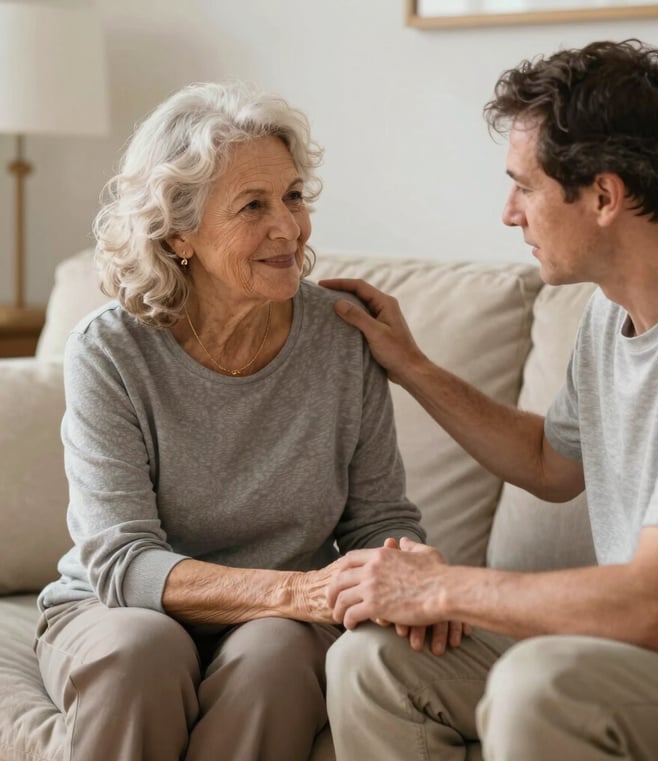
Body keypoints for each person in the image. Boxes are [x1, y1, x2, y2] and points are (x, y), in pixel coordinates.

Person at [322, 39, 658, 761]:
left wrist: (442, 588)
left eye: (523, 187)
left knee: (543, 684)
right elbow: (548, 461)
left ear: (602, 195)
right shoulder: (610, 311)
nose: (508, 213)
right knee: (372, 664)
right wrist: (410, 364)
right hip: (634, 656)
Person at [33, 80, 426, 761]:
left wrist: (406, 563)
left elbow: (378, 519)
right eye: (253, 205)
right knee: (141, 649)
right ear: (178, 232)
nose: (289, 227)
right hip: (125, 611)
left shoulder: (341, 339)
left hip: (284, 621)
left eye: (294, 196)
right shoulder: (112, 350)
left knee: (275, 652)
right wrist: (298, 589)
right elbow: (121, 561)